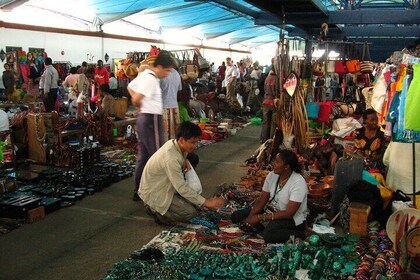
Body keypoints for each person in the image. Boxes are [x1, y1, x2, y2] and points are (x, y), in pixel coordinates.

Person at [140, 122, 225, 225]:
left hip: (165, 186)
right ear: (181, 140)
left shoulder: (175, 144)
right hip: (155, 193)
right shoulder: (171, 158)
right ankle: (156, 211)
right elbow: (181, 187)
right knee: (190, 213)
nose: (195, 145)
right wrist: (206, 202)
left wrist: (185, 160)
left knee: (195, 202)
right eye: (193, 142)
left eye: (197, 142)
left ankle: (166, 208)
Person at [128, 51, 176, 201]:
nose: (167, 75)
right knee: (158, 156)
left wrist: (139, 107)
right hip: (150, 119)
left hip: (145, 118)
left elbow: (130, 86)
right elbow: (136, 97)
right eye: (167, 71)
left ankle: (139, 190)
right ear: (159, 67)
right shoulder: (150, 79)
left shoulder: (145, 75)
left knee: (145, 156)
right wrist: (139, 105)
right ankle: (155, 193)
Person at [231, 149, 308, 243]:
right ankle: (264, 228)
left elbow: (289, 213)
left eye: (277, 162)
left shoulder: (298, 182)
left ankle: (303, 234)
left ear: (287, 167)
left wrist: (260, 217)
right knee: (236, 216)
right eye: (274, 161)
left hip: (291, 219)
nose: (273, 164)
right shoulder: (272, 175)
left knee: (269, 234)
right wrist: (250, 218)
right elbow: (262, 199)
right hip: (271, 212)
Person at [161, 67, 182, 141]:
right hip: (174, 106)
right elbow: (179, 90)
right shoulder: (176, 73)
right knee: (174, 135)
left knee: (164, 136)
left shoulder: (161, 73)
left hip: (163, 107)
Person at [261, 67, 278, 143]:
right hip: (273, 102)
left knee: (265, 122)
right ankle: (271, 141)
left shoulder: (267, 78)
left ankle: (264, 140)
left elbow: (264, 88)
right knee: (273, 123)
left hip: (265, 101)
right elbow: (276, 91)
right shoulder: (277, 79)